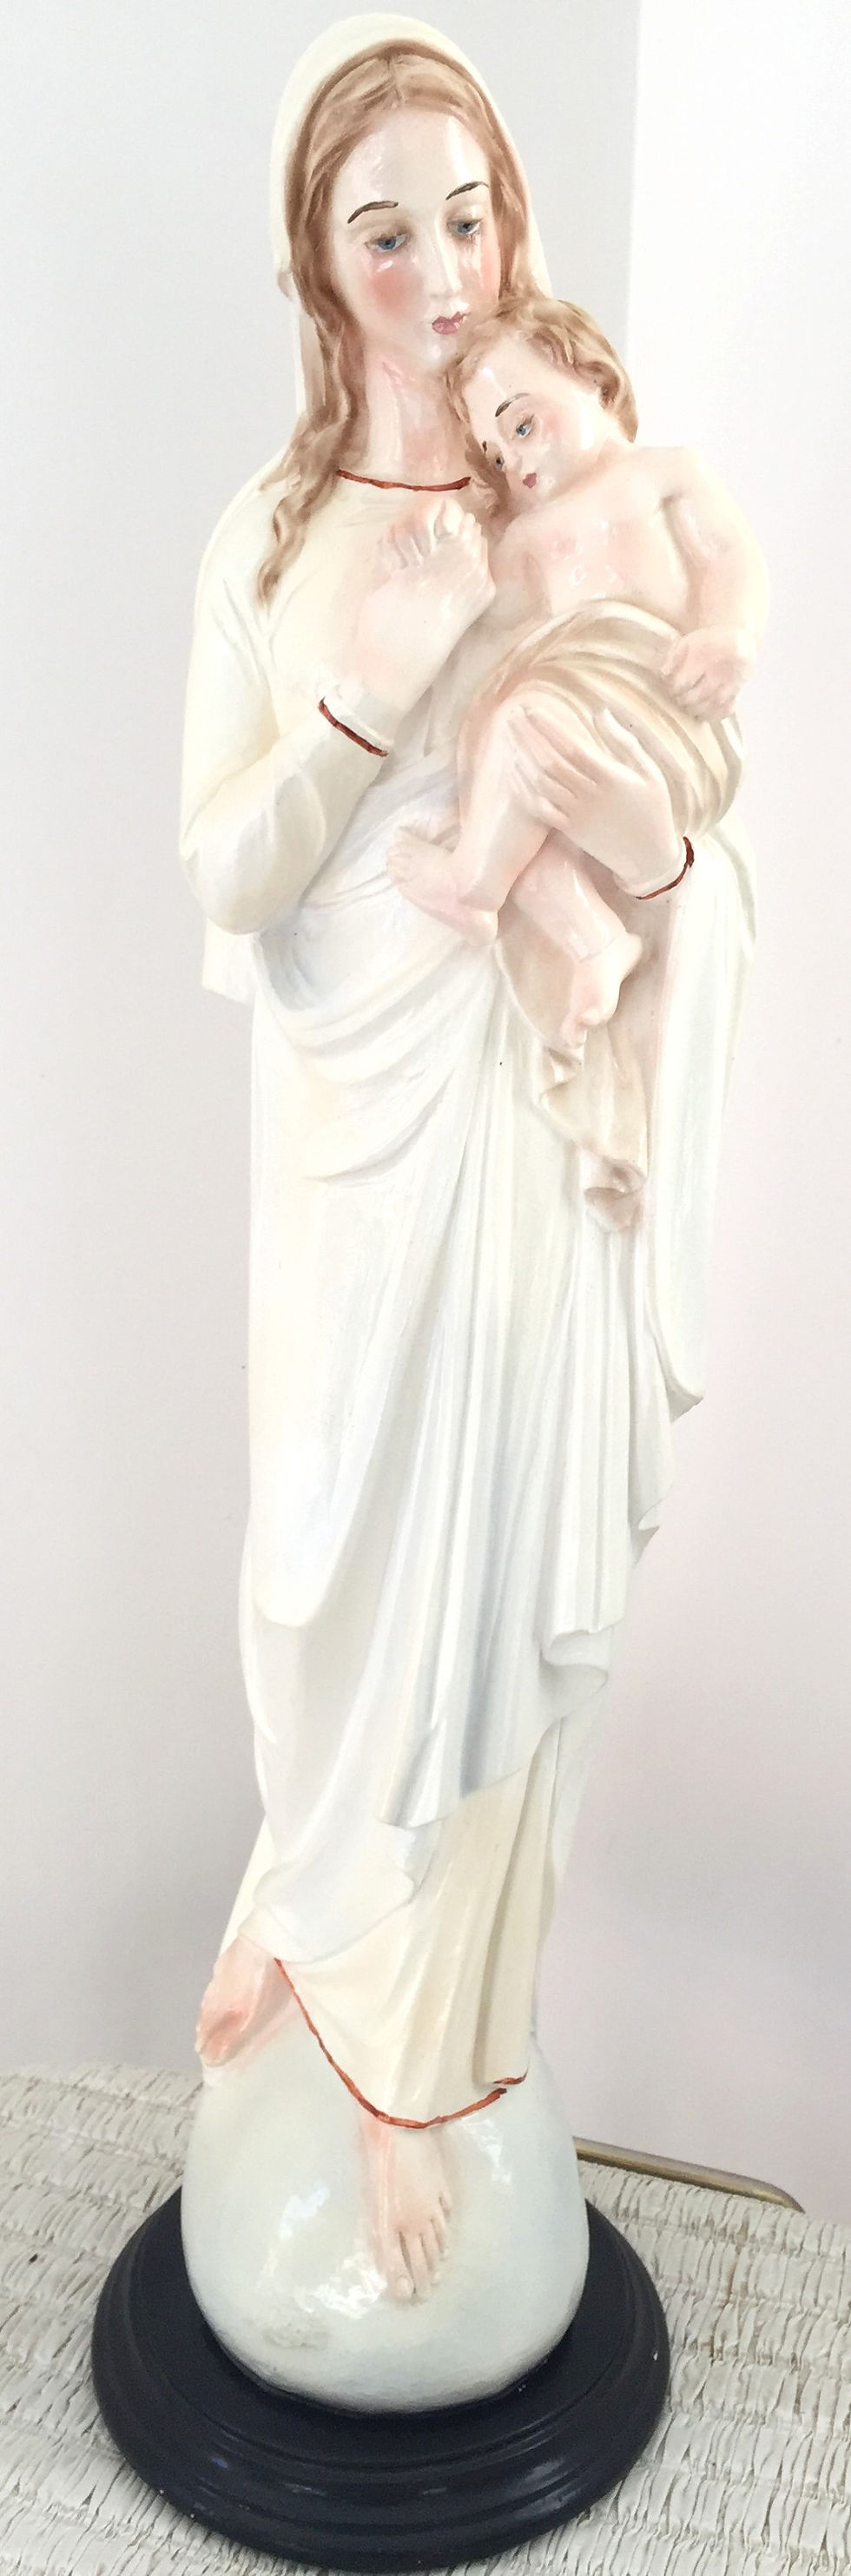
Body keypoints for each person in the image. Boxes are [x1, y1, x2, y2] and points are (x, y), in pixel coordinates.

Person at [179, 17, 755, 2308]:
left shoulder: (570, 487)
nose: (438, 275)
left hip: (529, 1129)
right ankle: (312, 1921)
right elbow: (229, 873)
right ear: (317, 272)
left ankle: (427, 2066)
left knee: (506, 1583)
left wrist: (659, 848)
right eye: (382, 233)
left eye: (467, 216)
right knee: (335, 1572)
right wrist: (365, 688)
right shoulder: (274, 539)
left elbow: (690, 812)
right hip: (355, 1144)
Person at [390, 293, 767, 1051]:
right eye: (498, 455)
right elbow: (486, 608)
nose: (519, 462)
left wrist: (729, 634)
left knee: (518, 734)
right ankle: (596, 942)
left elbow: (732, 555)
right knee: (509, 797)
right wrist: (435, 542)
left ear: (591, 375)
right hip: (570, 727)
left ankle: (471, 885)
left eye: (524, 425)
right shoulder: (528, 534)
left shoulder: (661, 474)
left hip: (666, 710)